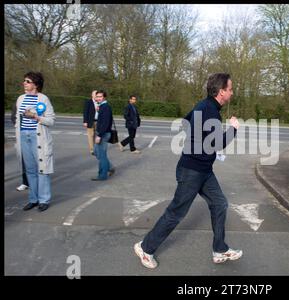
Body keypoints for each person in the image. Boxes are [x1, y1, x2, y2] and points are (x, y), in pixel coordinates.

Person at [134, 73, 241, 269]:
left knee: (219, 204)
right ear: (221, 91)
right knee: (176, 212)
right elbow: (218, 143)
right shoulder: (210, 111)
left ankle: (219, 249)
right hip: (192, 171)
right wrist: (233, 128)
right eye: (230, 89)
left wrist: (197, 142)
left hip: (204, 171)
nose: (232, 93)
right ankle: (145, 247)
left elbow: (185, 122)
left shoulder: (203, 106)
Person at [14, 71, 55, 212]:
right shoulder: (20, 99)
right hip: (24, 137)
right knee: (30, 170)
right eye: (24, 81)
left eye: (27, 81)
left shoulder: (43, 99)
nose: (24, 83)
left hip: (38, 137)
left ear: (35, 84)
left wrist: (36, 117)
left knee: (42, 170)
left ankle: (44, 200)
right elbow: (17, 119)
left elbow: (51, 120)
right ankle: (33, 199)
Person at [91, 90, 115, 181]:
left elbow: (105, 123)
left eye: (100, 96)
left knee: (101, 155)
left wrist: (99, 135)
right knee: (97, 153)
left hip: (103, 134)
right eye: (97, 96)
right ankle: (110, 167)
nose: (98, 98)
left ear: (104, 97)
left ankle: (102, 175)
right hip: (101, 133)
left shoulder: (105, 107)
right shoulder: (102, 106)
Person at [11, 103, 29, 191]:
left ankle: (36, 182)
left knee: (35, 161)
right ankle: (25, 182)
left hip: (34, 135)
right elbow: (13, 117)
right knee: (23, 160)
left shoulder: (40, 101)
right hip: (22, 135)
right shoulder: (20, 102)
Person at [83, 90, 98, 155]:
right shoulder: (88, 102)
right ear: (92, 95)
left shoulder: (99, 102)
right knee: (91, 136)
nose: (96, 96)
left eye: (97, 95)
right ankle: (92, 150)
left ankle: (96, 148)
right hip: (90, 121)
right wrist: (85, 121)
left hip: (98, 121)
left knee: (96, 135)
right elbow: (85, 112)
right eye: (95, 94)